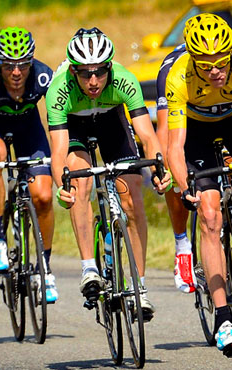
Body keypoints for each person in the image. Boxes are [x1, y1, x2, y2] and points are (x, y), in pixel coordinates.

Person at [46, 27, 170, 317]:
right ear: (73, 71)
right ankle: (89, 267)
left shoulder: (125, 80)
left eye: (100, 72)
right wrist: (61, 185)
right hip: (75, 126)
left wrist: (158, 169)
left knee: (132, 197)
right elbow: (58, 151)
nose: (93, 81)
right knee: (80, 181)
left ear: (110, 67)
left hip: (111, 122)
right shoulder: (58, 90)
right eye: (85, 73)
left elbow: (147, 136)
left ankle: (139, 288)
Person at [0, 27, 58, 302]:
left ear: (32, 61)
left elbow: (59, 125)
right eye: (8, 66)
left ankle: (45, 267)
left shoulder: (43, 76)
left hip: (30, 131)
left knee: (43, 196)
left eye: (23, 65)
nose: (16, 73)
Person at [167, 13, 232, 357]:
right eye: (207, 66)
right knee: (209, 215)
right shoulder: (179, 76)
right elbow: (175, 146)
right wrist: (182, 185)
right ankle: (223, 317)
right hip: (198, 135)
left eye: (222, 62)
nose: (216, 71)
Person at [156, 42, 198, 294]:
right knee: (173, 168)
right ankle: (182, 245)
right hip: (182, 119)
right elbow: (164, 129)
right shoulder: (172, 70)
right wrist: (166, 168)